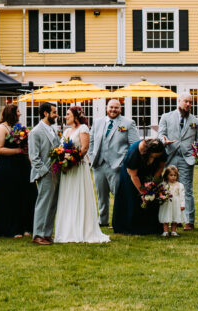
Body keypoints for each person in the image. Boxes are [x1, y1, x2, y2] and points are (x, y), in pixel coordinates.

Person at [53, 106, 110, 244]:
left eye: (67, 114)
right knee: (68, 196)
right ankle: (68, 230)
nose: (65, 117)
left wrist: (71, 161)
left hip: (78, 167)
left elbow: (84, 148)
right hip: (67, 169)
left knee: (79, 195)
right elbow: (62, 148)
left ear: (75, 116)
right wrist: (62, 160)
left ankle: (83, 230)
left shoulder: (83, 128)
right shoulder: (66, 130)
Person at [89, 98, 138, 227]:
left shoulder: (128, 123)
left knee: (119, 195)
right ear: (107, 108)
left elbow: (134, 145)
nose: (113, 110)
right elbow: (91, 141)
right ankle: (103, 220)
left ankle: (119, 220)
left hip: (117, 165)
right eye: (111, 107)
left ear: (120, 109)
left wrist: (124, 161)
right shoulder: (97, 122)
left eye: (116, 107)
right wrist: (91, 156)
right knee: (101, 195)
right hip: (99, 164)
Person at [0, 103, 37, 238]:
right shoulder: (2, 128)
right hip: (8, 166)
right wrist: (17, 150)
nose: (20, 113)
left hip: (22, 165)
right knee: (11, 196)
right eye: (18, 111)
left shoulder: (19, 127)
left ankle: (27, 227)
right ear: (12, 113)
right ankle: (11, 228)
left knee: (27, 194)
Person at [158, 93, 198, 230]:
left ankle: (189, 221)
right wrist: (164, 141)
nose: (188, 104)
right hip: (170, 155)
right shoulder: (166, 117)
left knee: (186, 189)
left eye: (190, 102)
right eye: (186, 101)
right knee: (168, 188)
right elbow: (160, 134)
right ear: (179, 101)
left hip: (186, 158)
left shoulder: (196, 121)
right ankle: (172, 219)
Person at [111, 137, 167, 235]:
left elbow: (161, 166)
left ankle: (152, 228)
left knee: (153, 199)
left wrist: (153, 182)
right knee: (133, 198)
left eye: (158, 156)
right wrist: (143, 192)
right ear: (149, 152)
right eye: (155, 156)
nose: (156, 158)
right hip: (131, 176)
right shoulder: (134, 152)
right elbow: (134, 175)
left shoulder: (160, 148)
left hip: (151, 173)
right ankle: (131, 227)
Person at [28, 102, 60, 245]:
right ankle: (38, 234)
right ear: (46, 113)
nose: (56, 115)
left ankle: (47, 233)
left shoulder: (53, 129)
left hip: (57, 172)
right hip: (45, 174)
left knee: (52, 204)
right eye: (54, 112)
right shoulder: (36, 131)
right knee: (43, 203)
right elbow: (33, 157)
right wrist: (45, 172)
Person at [158, 165, 186, 237]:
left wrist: (182, 204)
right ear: (167, 175)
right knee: (165, 217)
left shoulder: (180, 185)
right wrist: (161, 197)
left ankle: (174, 231)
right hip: (166, 204)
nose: (173, 177)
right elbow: (160, 193)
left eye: (175, 175)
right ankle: (165, 231)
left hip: (176, 204)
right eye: (171, 175)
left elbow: (182, 196)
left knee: (175, 217)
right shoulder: (163, 185)